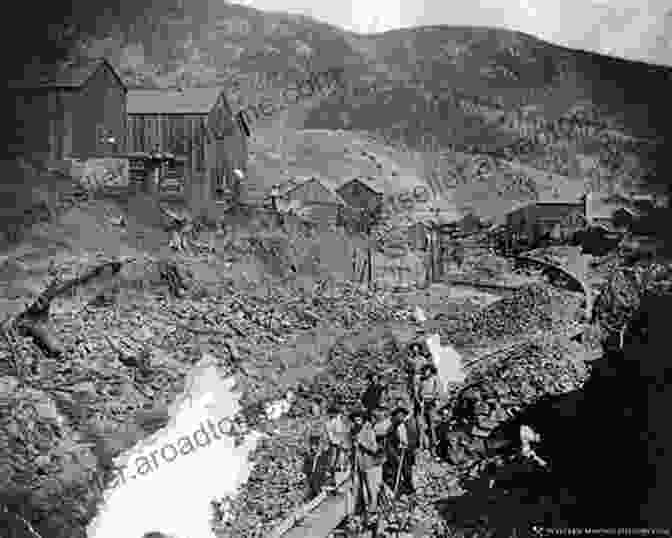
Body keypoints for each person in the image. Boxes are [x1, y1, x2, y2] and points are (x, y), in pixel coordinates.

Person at [350, 408, 384, 518]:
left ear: (362, 419)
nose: (357, 421)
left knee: (370, 487)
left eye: (359, 419)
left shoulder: (368, 430)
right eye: (355, 419)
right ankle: (361, 510)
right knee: (360, 487)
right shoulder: (354, 430)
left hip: (369, 463)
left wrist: (362, 443)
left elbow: (374, 448)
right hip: (359, 464)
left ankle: (373, 510)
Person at [384, 406, 419, 497]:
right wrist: (395, 455)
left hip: (407, 452)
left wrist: (409, 447)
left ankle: (409, 489)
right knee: (396, 473)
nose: (400, 417)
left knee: (407, 471)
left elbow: (414, 439)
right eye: (397, 415)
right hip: (397, 453)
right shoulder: (392, 428)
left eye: (401, 415)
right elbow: (389, 444)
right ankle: (398, 491)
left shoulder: (410, 425)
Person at [419, 364, 442, 456]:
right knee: (423, 426)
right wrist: (422, 398)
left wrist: (432, 397)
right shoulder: (423, 381)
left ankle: (435, 450)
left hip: (432, 404)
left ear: (431, 370)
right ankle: (424, 447)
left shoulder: (435, 379)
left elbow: (438, 392)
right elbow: (420, 392)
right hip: (424, 404)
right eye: (424, 370)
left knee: (433, 427)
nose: (426, 372)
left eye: (427, 370)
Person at [301, 434, 331, 501]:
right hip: (311, 480)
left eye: (316, 445)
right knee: (310, 493)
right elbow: (305, 468)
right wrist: (304, 474)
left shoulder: (324, 456)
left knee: (317, 489)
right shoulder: (309, 456)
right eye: (313, 445)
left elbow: (327, 468)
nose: (315, 447)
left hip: (320, 481)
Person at [325, 403, 351, 479]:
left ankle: (342, 470)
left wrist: (344, 441)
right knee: (333, 458)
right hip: (335, 443)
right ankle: (331, 472)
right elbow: (330, 435)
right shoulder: (329, 422)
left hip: (344, 442)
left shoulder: (343, 419)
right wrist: (336, 442)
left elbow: (347, 430)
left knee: (343, 457)